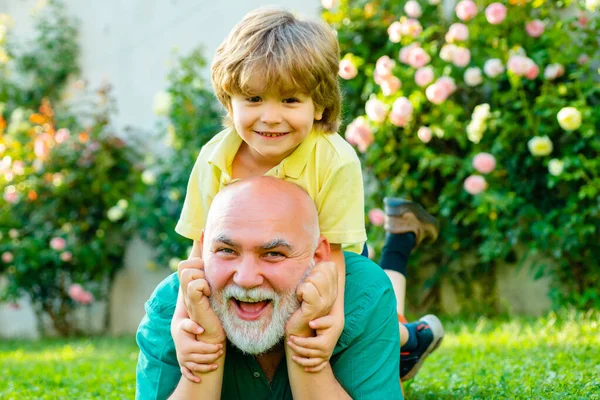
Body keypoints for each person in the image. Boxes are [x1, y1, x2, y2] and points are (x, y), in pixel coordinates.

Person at [169, 6, 442, 384]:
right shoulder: (216, 159)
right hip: (262, 266)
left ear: (320, 105)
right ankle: (402, 251)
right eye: (253, 99)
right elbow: (200, 250)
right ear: (228, 98)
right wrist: (182, 322)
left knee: (369, 316)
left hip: (328, 258)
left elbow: (332, 261)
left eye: (290, 100)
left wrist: (332, 323)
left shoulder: (335, 159)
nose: (270, 116)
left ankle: (408, 336)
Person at [136, 177, 401, 399]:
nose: (246, 279)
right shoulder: (171, 308)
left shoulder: (364, 293)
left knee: (400, 332)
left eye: (273, 254)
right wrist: (206, 345)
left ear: (318, 256)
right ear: (203, 248)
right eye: (226, 251)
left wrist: (305, 347)